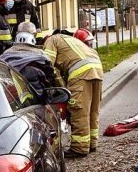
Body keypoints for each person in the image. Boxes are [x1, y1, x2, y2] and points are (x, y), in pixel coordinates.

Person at [43, 29, 103, 158]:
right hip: (97, 70)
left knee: (79, 110)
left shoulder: (51, 40)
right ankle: (92, 143)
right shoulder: (71, 40)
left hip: (80, 73)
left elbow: (47, 64)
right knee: (93, 109)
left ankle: (79, 148)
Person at [1, 22, 60, 95]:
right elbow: (50, 80)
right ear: (34, 35)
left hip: (13, 100)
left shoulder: (5, 54)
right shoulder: (41, 55)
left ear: (17, 34)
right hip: (38, 98)